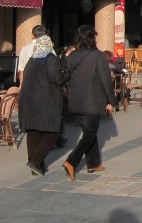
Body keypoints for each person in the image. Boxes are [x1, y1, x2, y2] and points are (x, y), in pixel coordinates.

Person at [61, 26, 116, 181]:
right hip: (92, 101)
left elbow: (64, 77)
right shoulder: (98, 56)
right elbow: (106, 81)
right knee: (90, 133)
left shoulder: (71, 56)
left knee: (88, 132)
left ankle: (93, 163)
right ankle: (71, 162)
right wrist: (112, 101)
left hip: (75, 100)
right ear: (92, 39)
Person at [19, 34, 65, 176]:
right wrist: (65, 74)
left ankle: (36, 164)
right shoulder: (50, 59)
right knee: (52, 132)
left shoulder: (32, 60)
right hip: (45, 101)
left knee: (34, 132)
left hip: (28, 100)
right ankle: (36, 160)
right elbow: (57, 77)